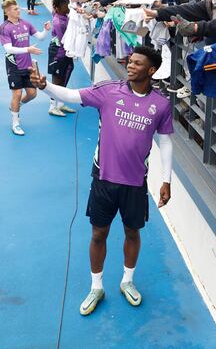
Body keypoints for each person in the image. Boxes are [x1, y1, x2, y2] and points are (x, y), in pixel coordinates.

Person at [30, 45, 173, 315]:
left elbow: (165, 141)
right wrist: (45, 86)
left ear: (151, 70)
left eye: (137, 63)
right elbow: (72, 95)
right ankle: (96, 287)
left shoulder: (161, 105)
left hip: (135, 182)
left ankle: (127, 281)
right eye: (130, 61)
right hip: (103, 178)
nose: (130, 66)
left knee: (133, 232)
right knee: (99, 233)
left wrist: (166, 180)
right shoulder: (109, 91)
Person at [0, 0, 51, 135]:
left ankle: (15, 107)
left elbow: (40, 37)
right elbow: (8, 49)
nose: (18, 10)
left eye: (18, 8)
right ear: (7, 12)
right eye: (15, 9)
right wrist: (28, 49)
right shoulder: (4, 28)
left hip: (27, 65)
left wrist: (45, 31)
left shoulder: (25, 24)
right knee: (17, 93)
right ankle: (15, 123)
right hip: (14, 65)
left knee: (32, 94)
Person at [48, 0, 75, 117]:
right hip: (58, 53)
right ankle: (52, 106)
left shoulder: (65, 16)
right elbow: (63, 40)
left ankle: (60, 103)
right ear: (57, 8)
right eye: (65, 5)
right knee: (57, 79)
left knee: (66, 74)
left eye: (68, 4)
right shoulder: (58, 21)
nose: (68, 7)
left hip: (66, 52)